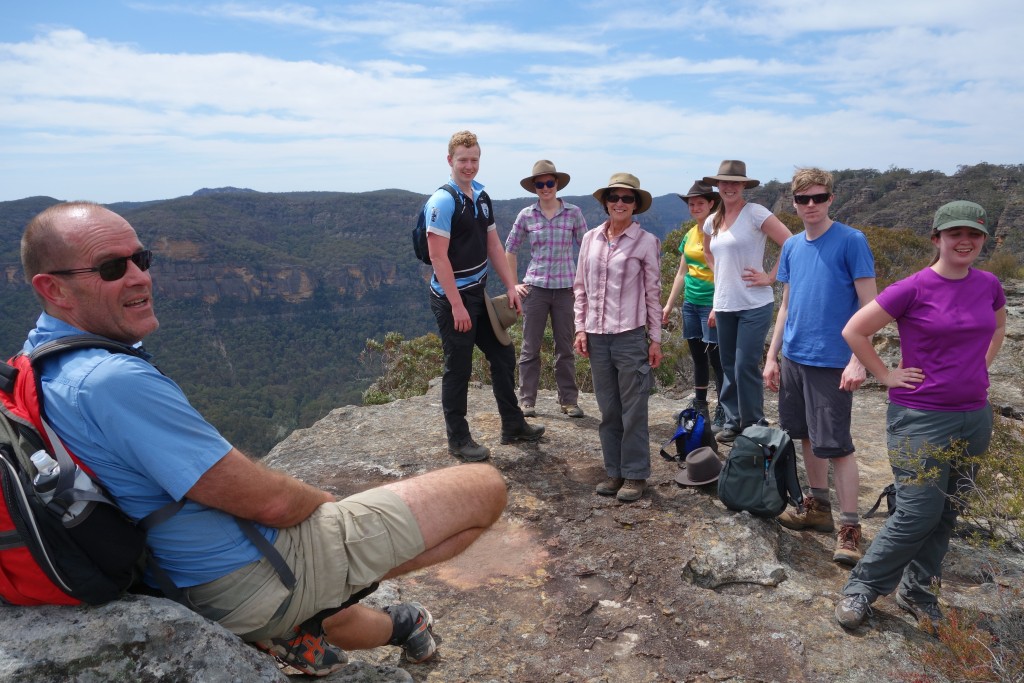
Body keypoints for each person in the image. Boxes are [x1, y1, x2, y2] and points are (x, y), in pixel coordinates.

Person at [20, 201, 510, 676]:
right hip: (239, 579)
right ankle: (317, 611)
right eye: (111, 267)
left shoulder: (38, 360)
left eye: (141, 259)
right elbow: (273, 505)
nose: (140, 276)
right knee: (485, 487)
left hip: (171, 572)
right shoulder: (111, 380)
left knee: (335, 593)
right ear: (53, 289)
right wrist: (323, 504)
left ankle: (353, 619)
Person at [834, 200, 1006, 633]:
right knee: (916, 512)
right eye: (954, 234)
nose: (964, 241)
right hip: (921, 416)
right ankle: (862, 588)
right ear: (937, 239)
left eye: (973, 234)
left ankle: (918, 591)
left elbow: (998, 326)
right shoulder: (913, 287)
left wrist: (981, 366)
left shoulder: (988, 284)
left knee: (949, 511)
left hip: (974, 416)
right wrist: (885, 375)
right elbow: (855, 330)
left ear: (983, 239)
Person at [762, 168, 877, 566]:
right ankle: (817, 507)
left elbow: (870, 308)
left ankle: (850, 528)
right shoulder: (792, 246)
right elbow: (787, 306)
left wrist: (857, 360)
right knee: (806, 435)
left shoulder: (851, 241)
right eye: (803, 199)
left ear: (831, 199)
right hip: (794, 356)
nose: (811, 205)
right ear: (793, 204)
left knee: (838, 445)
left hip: (831, 361)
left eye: (819, 198)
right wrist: (772, 356)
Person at [424, 130, 545, 461]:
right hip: (454, 300)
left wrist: (510, 285)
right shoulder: (443, 201)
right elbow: (438, 257)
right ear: (450, 160)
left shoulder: (480, 196)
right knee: (459, 367)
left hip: (478, 293)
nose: (469, 165)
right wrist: (456, 305)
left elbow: (494, 244)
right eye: (463, 159)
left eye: (474, 159)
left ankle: (513, 425)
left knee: (503, 355)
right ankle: (459, 440)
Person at [573, 173, 663, 503]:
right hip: (597, 336)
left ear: (635, 205)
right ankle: (614, 471)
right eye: (614, 197)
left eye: (627, 199)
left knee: (634, 409)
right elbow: (580, 288)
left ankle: (636, 475)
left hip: (629, 336)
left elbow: (652, 293)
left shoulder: (645, 242)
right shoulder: (590, 239)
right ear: (606, 202)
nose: (620, 203)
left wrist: (655, 339)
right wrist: (580, 328)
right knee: (608, 408)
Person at [701, 160, 792, 443]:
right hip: (726, 303)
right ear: (717, 185)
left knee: (744, 365)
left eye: (735, 183)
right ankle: (733, 419)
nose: (729, 187)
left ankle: (754, 421)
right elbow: (708, 253)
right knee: (727, 364)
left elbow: (790, 242)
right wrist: (723, 278)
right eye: (724, 183)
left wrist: (771, 277)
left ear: (743, 186)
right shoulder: (712, 220)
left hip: (754, 303)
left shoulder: (755, 213)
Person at [505, 160, 588, 419]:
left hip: (565, 289)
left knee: (565, 347)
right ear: (534, 187)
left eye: (549, 183)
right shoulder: (526, 215)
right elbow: (510, 248)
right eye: (540, 184)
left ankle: (569, 401)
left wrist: (583, 285)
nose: (545, 188)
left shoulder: (573, 212)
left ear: (557, 184)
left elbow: (587, 250)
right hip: (536, 289)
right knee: (531, 347)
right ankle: (527, 401)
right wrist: (514, 283)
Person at [662, 181, 725, 431]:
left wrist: (717, 306)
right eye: (691, 203)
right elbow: (681, 272)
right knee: (698, 357)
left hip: (712, 302)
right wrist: (668, 306)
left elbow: (724, 271)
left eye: (700, 202)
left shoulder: (719, 233)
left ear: (711, 204)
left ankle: (723, 407)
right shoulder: (689, 234)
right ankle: (700, 403)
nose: (695, 207)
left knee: (717, 359)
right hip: (691, 303)